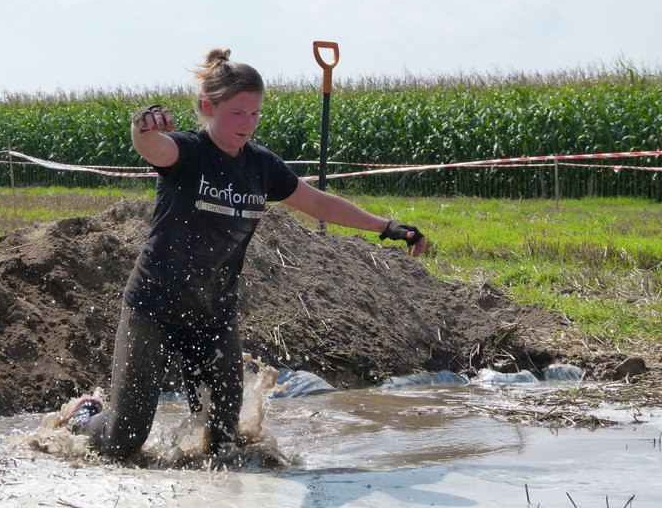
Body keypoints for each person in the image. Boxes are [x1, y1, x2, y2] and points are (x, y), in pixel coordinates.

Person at [68, 48, 426, 458]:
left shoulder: (261, 166)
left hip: (213, 313)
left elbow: (319, 203)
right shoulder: (188, 153)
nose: (248, 124)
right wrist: (142, 127)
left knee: (222, 441)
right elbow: (152, 148)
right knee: (123, 438)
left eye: (255, 114)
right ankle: (85, 415)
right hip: (156, 305)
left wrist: (386, 226)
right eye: (238, 113)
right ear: (208, 107)